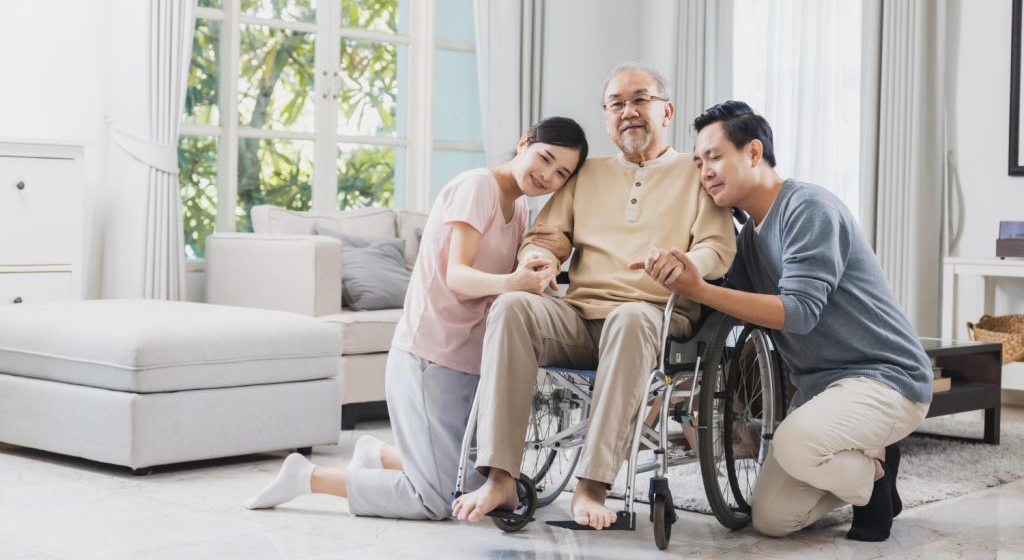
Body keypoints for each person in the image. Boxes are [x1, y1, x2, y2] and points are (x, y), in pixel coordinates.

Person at [244, 117, 589, 520]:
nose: (547, 175)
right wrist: (512, 282)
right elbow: (457, 276)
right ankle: (308, 477)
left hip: (470, 358)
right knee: (440, 500)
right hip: (431, 356)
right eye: (544, 158)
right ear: (524, 142)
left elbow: (506, 283)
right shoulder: (478, 187)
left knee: (475, 483)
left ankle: (378, 454)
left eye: (561, 173)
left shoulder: (518, 209)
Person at [630, 101, 932, 541]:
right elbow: (725, 304)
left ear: (754, 152)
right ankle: (867, 474)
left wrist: (701, 289)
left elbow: (799, 313)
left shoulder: (807, 208)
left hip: (885, 378)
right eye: (698, 163)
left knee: (793, 442)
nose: (705, 172)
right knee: (772, 518)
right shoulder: (748, 238)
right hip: (817, 390)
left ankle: (875, 474)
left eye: (714, 157)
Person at [452, 63, 736, 530]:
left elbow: (717, 247)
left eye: (640, 100)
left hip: (653, 318)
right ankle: (501, 476)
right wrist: (538, 258)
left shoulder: (695, 171)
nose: (629, 112)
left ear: (666, 110)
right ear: (606, 119)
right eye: (616, 104)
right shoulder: (587, 174)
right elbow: (547, 235)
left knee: (630, 317)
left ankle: (592, 485)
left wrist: (689, 265)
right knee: (512, 306)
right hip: (579, 317)